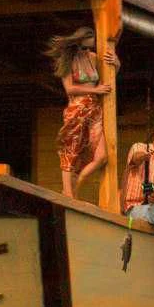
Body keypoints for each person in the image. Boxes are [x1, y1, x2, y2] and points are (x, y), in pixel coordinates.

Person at [45, 29, 113, 200]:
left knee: (102, 156)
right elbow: (70, 88)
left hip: (94, 108)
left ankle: (79, 180)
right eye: (90, 39)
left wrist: (116, 63)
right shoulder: (68, 60)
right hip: (77, 108)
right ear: (80, 40)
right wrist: (95, 89)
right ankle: (68, 193)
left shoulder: (93, 57)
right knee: (71, 150)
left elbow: (109, 78)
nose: (92, 43)